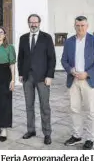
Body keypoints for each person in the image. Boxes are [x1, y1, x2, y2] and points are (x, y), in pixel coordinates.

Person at [61, 16, 94, 150]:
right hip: (73, 79)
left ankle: (90, 139)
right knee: (74, 109)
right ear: (74, 26)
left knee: (91, 111)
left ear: (87, 26)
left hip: (88, 80)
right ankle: (77, 135)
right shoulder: (69, 42)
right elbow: (64, 60)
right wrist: (70, 70)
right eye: (78, 25)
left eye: (82, 25)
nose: (80, 28)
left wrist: (87, 73)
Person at [17, 14, 56, 145]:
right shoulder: (23, 38)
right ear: (28, 23)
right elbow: (20, 58)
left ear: (39, 23)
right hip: (27, 77)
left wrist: (50, 76)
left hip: (43, 78)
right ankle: (31, 130)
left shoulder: (46, 38)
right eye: (31, 22)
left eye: (35, 22)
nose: (33, 24)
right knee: (29, 106)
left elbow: (52, 58)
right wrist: (20, 73)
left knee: (45, 106)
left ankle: (47, 133)